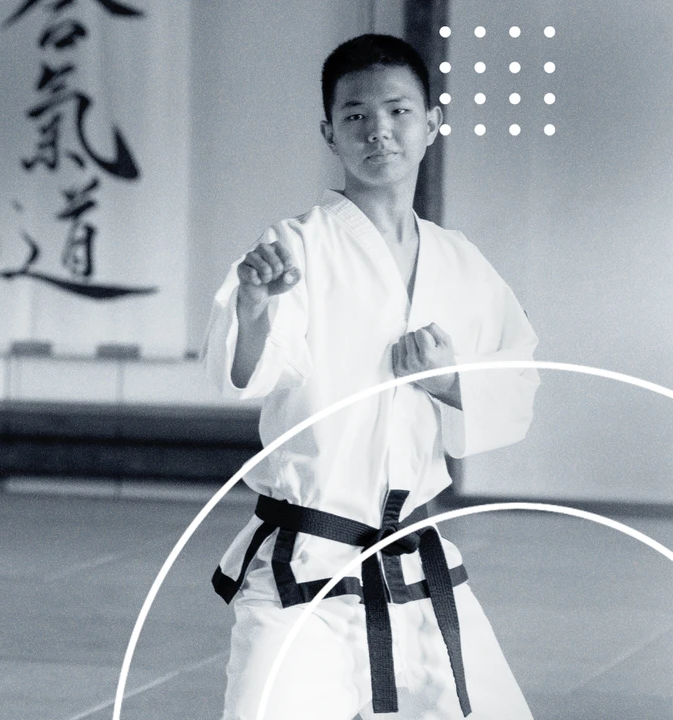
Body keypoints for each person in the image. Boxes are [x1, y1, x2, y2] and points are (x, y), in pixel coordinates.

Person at [203, 34, 539, 720]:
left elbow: (518, 381)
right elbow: (249, 372)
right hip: (307, 562)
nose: (378, 131)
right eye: (356, 115)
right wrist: (255, 304)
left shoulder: (462, 263)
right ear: (330, 132)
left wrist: (449, 382)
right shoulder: (296, 245)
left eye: (397, 112)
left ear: (430, 123)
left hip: (415, 557)